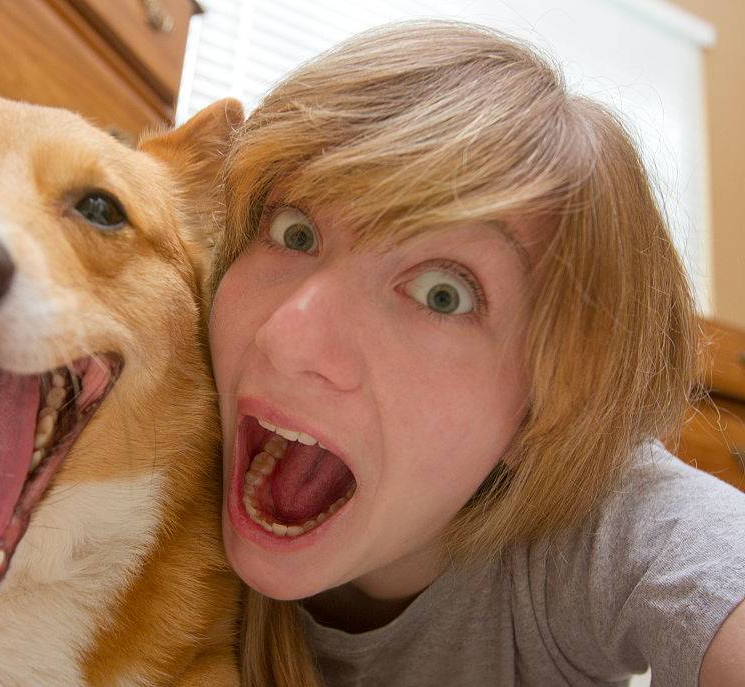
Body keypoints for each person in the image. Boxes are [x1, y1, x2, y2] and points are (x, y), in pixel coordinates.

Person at [206, 21, 745, 687]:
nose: (285, 340)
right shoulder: (166, 420)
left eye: (441, 294)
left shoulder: (589, 531)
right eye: (295, 230)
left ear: (547, 407)